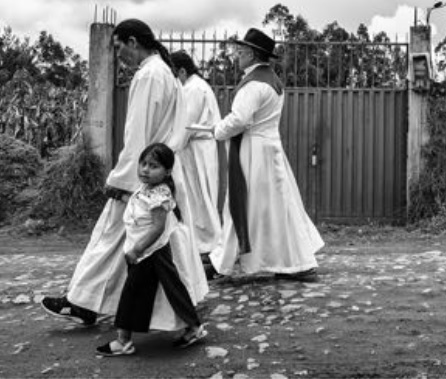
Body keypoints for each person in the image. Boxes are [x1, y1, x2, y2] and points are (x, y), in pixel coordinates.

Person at [41, 18, 208, 325]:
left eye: (119, 47)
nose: (118, 56)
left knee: (111, 238)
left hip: (143, 176)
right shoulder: (166, 73)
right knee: (153, 241)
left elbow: (137, 134)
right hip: (160, 171)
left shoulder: (149, 75)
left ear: (133, 42)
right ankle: (179, 301)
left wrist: (124, 179)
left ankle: (83, 303)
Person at [208, 28, 324, 281]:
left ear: (251, 54)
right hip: (269, 147)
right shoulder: (272, 80)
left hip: (253, 150)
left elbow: (240, 119)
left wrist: (217, 130)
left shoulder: (253, 84)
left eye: (240, 52)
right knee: (277, 205)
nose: (237, 56)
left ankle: (226, 261)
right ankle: (293, 261)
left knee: (243, 203)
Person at [97, 143, 206, 357]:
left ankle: (123, 341)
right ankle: (194, 327)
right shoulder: (147, 189)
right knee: (171, 287)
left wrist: (137, 250)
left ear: (167, 171)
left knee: (133, 291)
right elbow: (140, 204)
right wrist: (119, 196)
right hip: (148, 251)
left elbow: (157, 227)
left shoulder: (160, 194)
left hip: (150, 251)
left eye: (154, 166)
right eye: (144, 164)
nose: (146, 169)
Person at [170, 50, 223, 255]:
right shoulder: (199, 86)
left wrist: (171, 148)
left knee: (199, 196)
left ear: (182, 71)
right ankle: (203, 242)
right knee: (199, 195)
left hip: (196, 147)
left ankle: (208, 244)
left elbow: (186, 124)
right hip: (198, 147)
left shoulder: (193, 89)